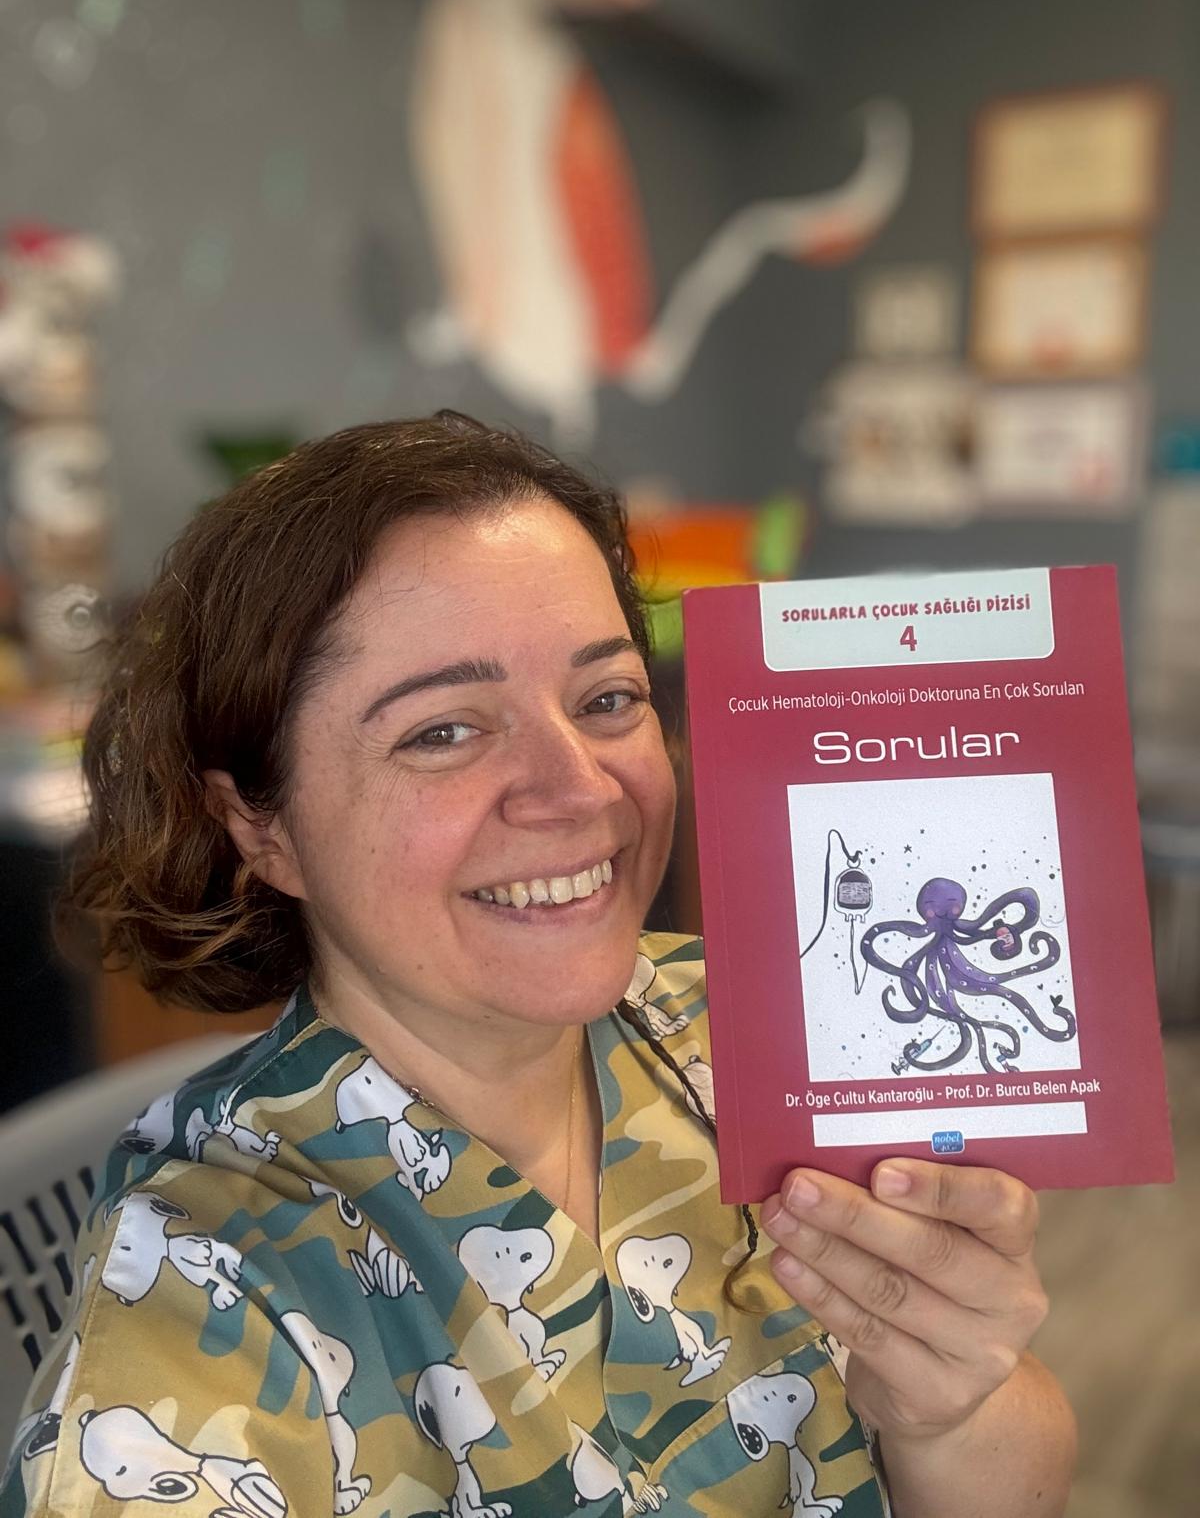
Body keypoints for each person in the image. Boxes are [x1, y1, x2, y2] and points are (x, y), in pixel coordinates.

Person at [3, 413, 1076, 1518]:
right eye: (443, 731)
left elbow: (1011, 1462)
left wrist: (953, 1403)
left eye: (607, 700)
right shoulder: (206, 1283)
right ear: (260, 825)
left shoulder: (773, 1026)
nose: (580, 789)